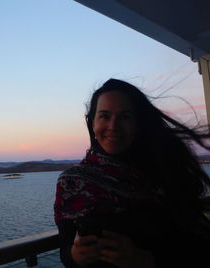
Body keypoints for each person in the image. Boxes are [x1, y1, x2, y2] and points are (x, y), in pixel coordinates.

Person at [54, 79, 210, 268]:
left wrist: (145, 260)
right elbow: (66, 248)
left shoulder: (166, 172)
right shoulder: (71, 182)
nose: (113, 126)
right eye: (104, 116)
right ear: (92, 123)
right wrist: (75, 256)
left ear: (139, 124)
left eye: (125, 116)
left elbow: (199, 244)